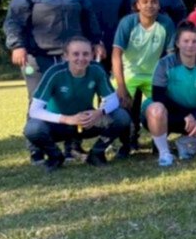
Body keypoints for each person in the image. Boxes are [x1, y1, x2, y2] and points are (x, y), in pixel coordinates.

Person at [4, 0, 104, 100]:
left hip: (71, 56)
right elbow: (14, 20)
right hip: (38, 56)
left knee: (71, 98)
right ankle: (36, 124)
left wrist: (96, 42)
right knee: (39, 99)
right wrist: (17, 46)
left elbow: (89, 18)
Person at [23, 37, 131, 169]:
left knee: (122, 117)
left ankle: (97, 153)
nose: (81, 58)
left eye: (85, 54)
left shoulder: (96, 70)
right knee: (33, 128)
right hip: (58, 124)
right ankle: (55, 156)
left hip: (86, 122)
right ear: (65, 56)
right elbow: (34, 110)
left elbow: (112, 99)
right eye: (75, 54)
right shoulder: (55, 73)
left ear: (92, 55)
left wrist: (99, 112)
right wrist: (67, 119)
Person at [144, 24, 196, 167]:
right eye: (186, 41)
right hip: (167, 114)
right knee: (156, 109)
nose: (190, 45)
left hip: (191, 116)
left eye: (195, 41)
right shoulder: (165, 63)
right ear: (177, 43)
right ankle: (164, 153)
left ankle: (185, 141)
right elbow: (158, 97)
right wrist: (184, 114)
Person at [112, 0, 176, 157]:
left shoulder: (166, 23)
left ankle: (159, 142)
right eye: (145, 2)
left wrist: (170, 81)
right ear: (137, 5)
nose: (150, 5)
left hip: (153, 74)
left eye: (154, 2)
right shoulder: (128, 23)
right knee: (120, 108)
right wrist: (121, 86)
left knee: (162, 107)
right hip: (129, 73)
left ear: (159, 5)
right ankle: (126, 144)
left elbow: (171, 56)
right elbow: (116, 55)